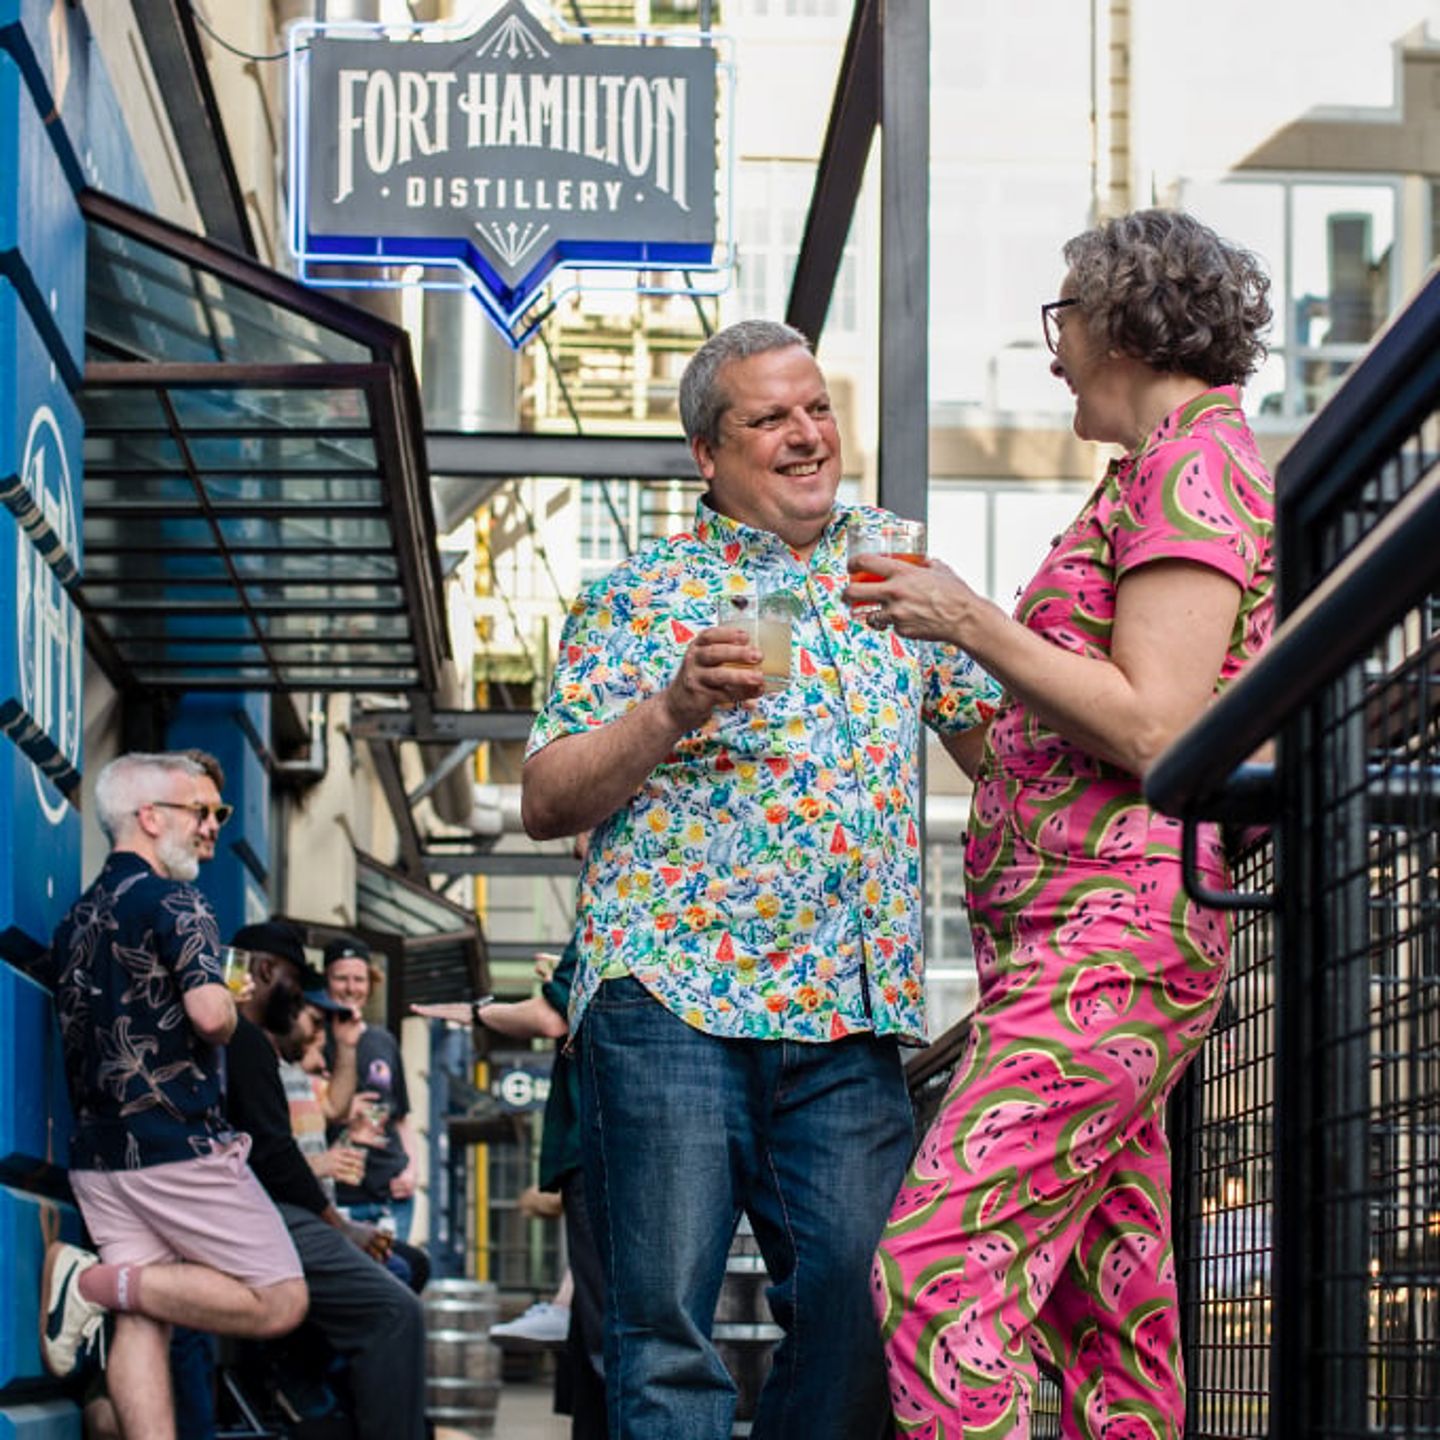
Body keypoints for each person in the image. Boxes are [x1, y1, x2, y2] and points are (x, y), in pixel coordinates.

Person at [520, 318, 1001, 1439]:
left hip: (849, 1016)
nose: (806, 433)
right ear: (708, 455)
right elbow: (547, 800)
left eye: (817, 406)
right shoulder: (639, 593)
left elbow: (995, 755)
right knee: (666, 1337)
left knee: (867, 1305)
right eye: (770, 417)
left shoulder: (897, 565)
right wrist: (674, 706)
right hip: (671, 1002)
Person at [864, 209, 1276, 1438]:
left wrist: (970, 621)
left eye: (1064, 320)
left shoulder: (1197, 467)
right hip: (1076, 934)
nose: (1053, 353)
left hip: (1122, 929)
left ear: (1122, 320)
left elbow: (1157, 725)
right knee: (1113, 1310)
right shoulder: (1156, 469)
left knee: (936, 1262)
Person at [38, 752, 308, 1440]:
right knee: (279, 1298)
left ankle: (107, 1288)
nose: (213, 826)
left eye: (219, 812)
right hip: (176, 1145)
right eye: (201, 811)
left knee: (145, 1318)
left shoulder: (75, 919)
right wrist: (224, 994)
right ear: (149, 817)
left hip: (98, 1159)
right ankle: (88, 1284)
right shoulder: (178, 901)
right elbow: (213, 1019)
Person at [223, 920, 427, 1440]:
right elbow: (274, 1157)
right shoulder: (244, 1041)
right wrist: (339, 1226)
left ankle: (322, 1401)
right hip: (258, 1219)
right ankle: (314, 1402)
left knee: (406, 1274)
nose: (301, 1005)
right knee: (394, 1309)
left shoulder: (248, 1043)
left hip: (263, 1215)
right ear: (266, 971)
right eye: (298, 986)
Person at [415, 935, 606, 1439]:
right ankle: (563, 1308)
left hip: (601, 1144)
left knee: (605, 1336)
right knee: (613, 1332)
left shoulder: (609, 904)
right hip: (634, 1144)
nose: (572, 849)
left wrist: (477, 1013)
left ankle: (564, 1310)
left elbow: (549, 1018)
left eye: (577, 846)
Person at [322, 935, 421, 1240]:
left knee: (398, 1278)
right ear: (326, 980)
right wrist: (338, 1110)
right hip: (339, 1197)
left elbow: (401, 1118)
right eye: (341, 978)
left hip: (392, 1196)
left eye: (359, 979)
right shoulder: (313, 1036)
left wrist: (412, 1172)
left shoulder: (382, 1040)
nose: (351, 988)